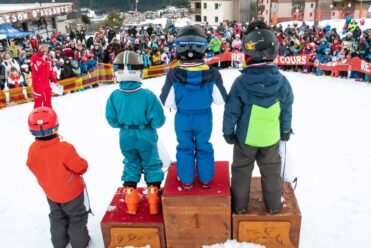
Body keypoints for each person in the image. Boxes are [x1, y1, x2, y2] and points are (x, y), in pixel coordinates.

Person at [223, 21, 294, 214]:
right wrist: (285, 131)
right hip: (270, 138)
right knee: (271, 172)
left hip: (246, 139)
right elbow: (287, 109)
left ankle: (239, 207)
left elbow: (231, 111)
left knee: (241, 172)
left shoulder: (241, 83)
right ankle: (273, 206)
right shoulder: (282, 82)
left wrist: (228, 132)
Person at [160, 25, 227, 190]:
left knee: (185, 147)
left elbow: (167, 101)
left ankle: (187, 180)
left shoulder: (174, 75)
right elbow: (220, 99)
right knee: (204, 145)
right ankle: (205, 179)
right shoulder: (212, 74)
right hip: (204, 116)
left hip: (183, 117)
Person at [105, 51, 166, 215]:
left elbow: (111, 120)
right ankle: (153, 199)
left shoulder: (114, 96)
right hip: (145, 134)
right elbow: (159, 120)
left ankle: (131, 198)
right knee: (151, 163)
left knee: (131, 162)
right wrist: (148, 124)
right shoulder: (147, 95)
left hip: (125, 135)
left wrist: (123, 124)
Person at [26, 107, 90, 248]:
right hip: (72, 193)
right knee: (76, 218)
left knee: (57, 217)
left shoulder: (32, 149)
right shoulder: (64, 148)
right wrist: (84, 162)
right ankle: (80, 243)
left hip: (51, 193)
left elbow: (31, 165)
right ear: (56, 126)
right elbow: (81, 167)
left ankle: (59, 243)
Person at [30, 43, 58, 108]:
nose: (44, 49)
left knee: (48, 101)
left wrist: (55, 81)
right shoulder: (34, 57)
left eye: (46, 48)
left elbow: (50, 71)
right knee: (38, 102)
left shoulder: (48, 58)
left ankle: (48, 115)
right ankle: (37, 116)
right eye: (42, 48)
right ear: (39, 49)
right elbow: (34, 69)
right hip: (38, 83)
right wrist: (42, 60)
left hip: (46, 83)